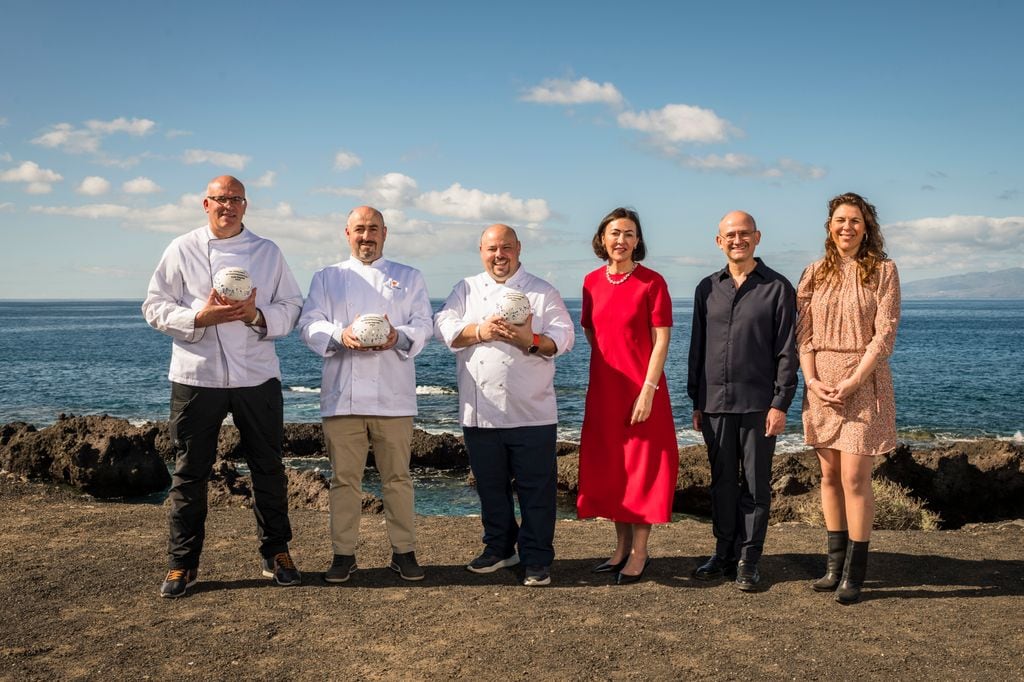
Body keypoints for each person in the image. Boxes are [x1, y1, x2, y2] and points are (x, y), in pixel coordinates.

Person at [143, 175, 304, 598]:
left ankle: (277, 553)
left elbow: (291, 307)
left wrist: (254, 316)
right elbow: (154, 307)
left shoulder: (268, 252)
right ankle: (183, 564)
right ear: (205, 204)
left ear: (245, 206)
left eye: (235, 200)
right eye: (220, 199)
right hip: (197, 376)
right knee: (190, 471)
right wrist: (200, 317)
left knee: (268, 467)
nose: (227, 206)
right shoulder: (182, 248)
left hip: (257, 375)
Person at [434, 224, 575, 587]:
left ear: (519, 249)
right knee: (491, 487)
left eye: (506, 248)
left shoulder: (542, 291)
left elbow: (564, 338)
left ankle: (537, 558)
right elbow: (444, 326)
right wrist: (481, 330)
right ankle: (499, 547)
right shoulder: (465, 289)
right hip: (480, 411)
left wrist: (530, 339)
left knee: (536, 490)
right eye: (492, 248)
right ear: (481, 251)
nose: (500, 255)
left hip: (532, 411)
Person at [299, 206, 433, 583]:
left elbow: (425, 324)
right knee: (344, 480)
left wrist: (397, 337)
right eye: (359, 229)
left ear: (385, 233)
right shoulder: (327, 277)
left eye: (373, 229)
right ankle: (343, 555)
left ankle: (403, 552)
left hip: (394, 396)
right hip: (343, 396)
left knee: (398, 478)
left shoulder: (409, 276)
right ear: (347, 233)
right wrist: (341, 336)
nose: (366, 236)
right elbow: (308, 324)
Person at [797, 192, 900, 604]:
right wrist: (811, 380)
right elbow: (802, 332)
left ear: (867, 227)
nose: (847, 227)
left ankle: (855, 573)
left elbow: (885, 333)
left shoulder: (883, 271)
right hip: (821, 384)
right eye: (840, 220)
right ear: (829, 226)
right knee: (827, 478)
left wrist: (856, 379)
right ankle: (833, 567)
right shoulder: (814, 272)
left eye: (855, 221)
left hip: (863, 383)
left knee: (855, 479)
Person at [687, 210, 798, 591]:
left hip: (758, 405)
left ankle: (749, 560)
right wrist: (696, 400)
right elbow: (697, 348)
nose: (738, 240)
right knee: (721, 485)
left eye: (744, 233)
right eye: (730, 235)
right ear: (719, 241)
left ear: (757, 237)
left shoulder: (778, 288)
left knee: (755, 486)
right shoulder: (706, 288)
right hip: (714, 404)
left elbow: (787, 350)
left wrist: (780, 403)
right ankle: (723, 553)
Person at [577, 207, 679, 585]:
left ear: (638, 241)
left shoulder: (653, 282)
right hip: (605, 390)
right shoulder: (590, 282)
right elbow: (591, 332)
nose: (621, 240)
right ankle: (619, 548)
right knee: (614, 470)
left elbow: (661, 340)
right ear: (602, 239)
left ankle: (640, 552)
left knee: (641, 469)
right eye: (615, 233)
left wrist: (647, 390)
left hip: (643, 390)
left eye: (629, 234)